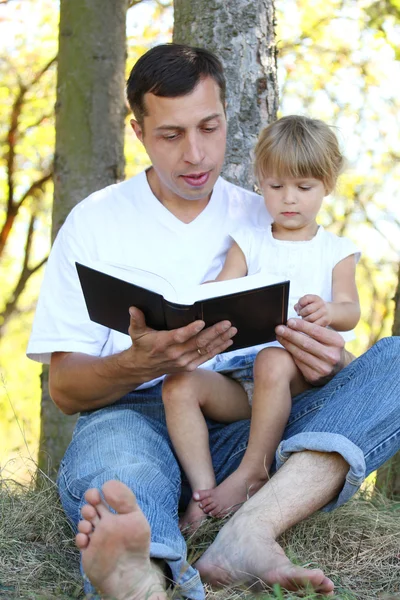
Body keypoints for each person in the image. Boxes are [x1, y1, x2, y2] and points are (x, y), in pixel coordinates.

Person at [26, 43, 400, 600]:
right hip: (137, 417)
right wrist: (137, 362)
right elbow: (65, 389)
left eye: (210, 127)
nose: (196, 154)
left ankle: (251, 529)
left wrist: (330, 361)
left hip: (256, 422)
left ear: (228, 113)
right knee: (120, 469)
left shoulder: (270, 209)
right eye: (171, 135)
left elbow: (334, 356)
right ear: (138, 132)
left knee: (392, 360)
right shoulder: (96, 222)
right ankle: (140, 573)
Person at [162, 115, 361, 529]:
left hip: (297, 377)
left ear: (327, 186)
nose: (289, 199)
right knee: (178, 383)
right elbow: (217, 293)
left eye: (304, 188)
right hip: (240, 381)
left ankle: (253, 471)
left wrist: (329, 310)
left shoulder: (335, 250)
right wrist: (192, 302)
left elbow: (350, 309)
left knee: (273, 358)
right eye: (275, 187)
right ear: (260, 182)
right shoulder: (248, 241)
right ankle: (203, 492)